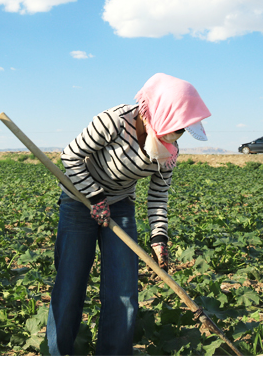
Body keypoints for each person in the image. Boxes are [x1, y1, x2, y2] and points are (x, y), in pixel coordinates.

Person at [46, 73, 211, 356]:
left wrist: (160, 238)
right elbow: (70, 157)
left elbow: (158, 195)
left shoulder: (168, 150)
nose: (177, 133)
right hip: (79, 200)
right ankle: (59, 356)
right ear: (160, 110)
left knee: (123, 288)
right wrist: (96, 198)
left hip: (120, 205)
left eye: (183, 129)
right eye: (176, 126)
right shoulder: (112, 121)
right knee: (71, 282)